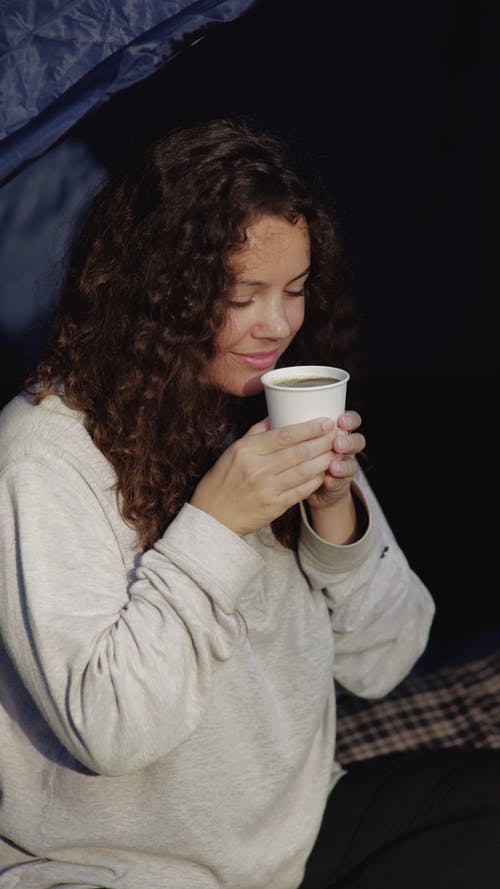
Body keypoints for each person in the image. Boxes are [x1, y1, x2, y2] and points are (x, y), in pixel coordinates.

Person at [0, 114, 498, 889]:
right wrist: (216, 524)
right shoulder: (42, 455)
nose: (277, 326)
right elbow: (114, 730)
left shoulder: (261, 407)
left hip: (295, 836)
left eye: (295, 290)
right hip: (122, 871)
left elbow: (386, 662)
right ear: (158, 290)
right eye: (243, 294)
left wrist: (339, 518)